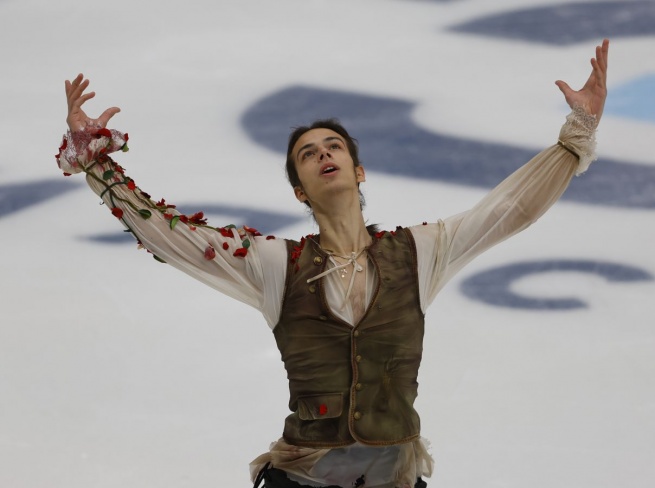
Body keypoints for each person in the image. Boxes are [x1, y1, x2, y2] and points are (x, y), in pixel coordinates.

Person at [56, 39, 609, 488]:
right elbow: (170, 236)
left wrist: (573, 139)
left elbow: (509, 211)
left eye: (334, 146)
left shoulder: (418, 252)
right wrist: (96, 164)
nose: (323, 153)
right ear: (300, 191)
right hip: (301, 481)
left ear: (358, 171)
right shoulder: (275, 264)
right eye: (308, 153)